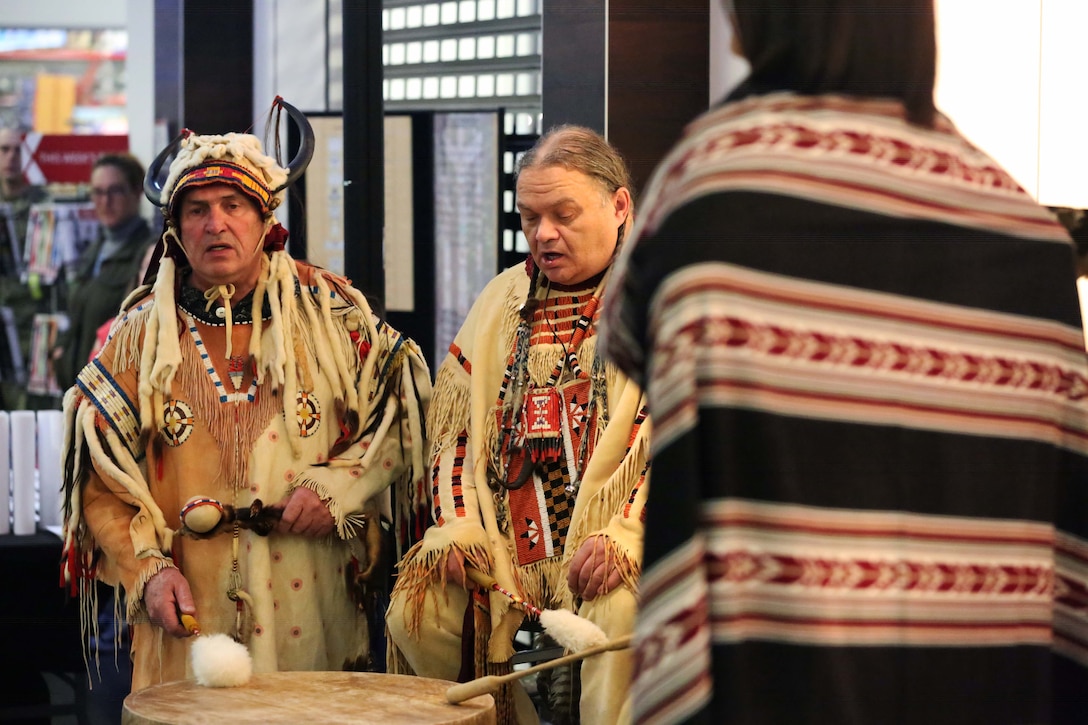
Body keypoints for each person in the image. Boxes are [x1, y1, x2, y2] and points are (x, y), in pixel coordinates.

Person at [601, 1, 1088, 723]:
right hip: (985, 681)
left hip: (773, 680)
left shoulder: (709, 192)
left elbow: (628, 335)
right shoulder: (1028, 236)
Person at [60, 99, 431, 695]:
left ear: (266, 220)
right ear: (176, 228)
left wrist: (337, 485)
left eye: (234, 207)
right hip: (190, 624)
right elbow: (100, 483)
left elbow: (406, 412)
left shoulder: (334, 317)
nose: (216, 224)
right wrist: (148, 572)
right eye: (198, 210)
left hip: (314, 614)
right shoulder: (138, 340)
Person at [386, 125, 651, 724]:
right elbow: (455, 430)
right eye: (530, 217)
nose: (543, 234)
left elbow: (687, 444)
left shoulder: (662, 298)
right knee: (419, 608)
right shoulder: (504, 297)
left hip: (613, 546)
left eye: (564, 213)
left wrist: (627, 537)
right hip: (508, 551)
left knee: (622, 616)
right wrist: (458, 525)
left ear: (619, 205)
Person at [53, 152, 157, 390]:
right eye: (98, 192)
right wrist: (59, 352)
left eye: (115, 191)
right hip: (78, 389)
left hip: (113, 392)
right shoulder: (94, 250)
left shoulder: (147, 254)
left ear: (136, 192)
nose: (105, 201)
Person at [0, 125, 51, 408]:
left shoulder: (43, 203)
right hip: (4, 315)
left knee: (31, 404)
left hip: (33, 319)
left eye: (17, 150)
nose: (11, 157)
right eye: (4, 150)